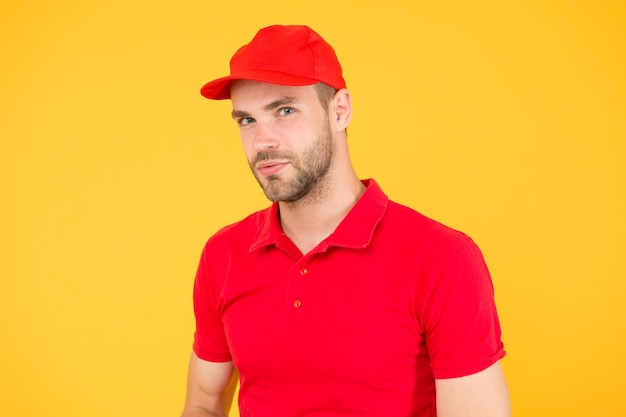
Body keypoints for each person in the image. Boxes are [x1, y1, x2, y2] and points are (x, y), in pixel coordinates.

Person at [181, 25, 510, 417]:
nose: (261, 141)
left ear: (339, 111)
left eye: (284, 111)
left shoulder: (442, 258)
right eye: (246, 120)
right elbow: (203, 403)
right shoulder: (225, 255)